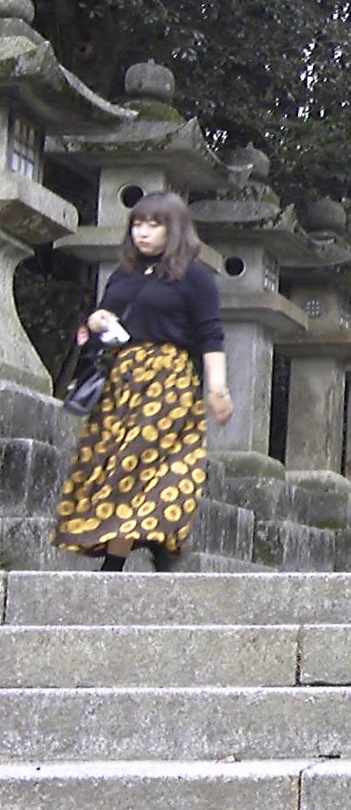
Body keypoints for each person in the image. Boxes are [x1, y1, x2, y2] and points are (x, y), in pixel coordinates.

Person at [53, 191, 233, 572]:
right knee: (116, 464)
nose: (143, 232)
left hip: (168, 380)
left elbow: (210, 336)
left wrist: (217, 388)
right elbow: (102, 321)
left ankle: (151, 547)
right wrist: (96, 321)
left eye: (154, 225)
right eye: (138, 224)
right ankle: (125, 557)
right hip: (121, 380)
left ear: (175, 230)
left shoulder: (195, 277)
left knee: (144, 464)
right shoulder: (125, 274)